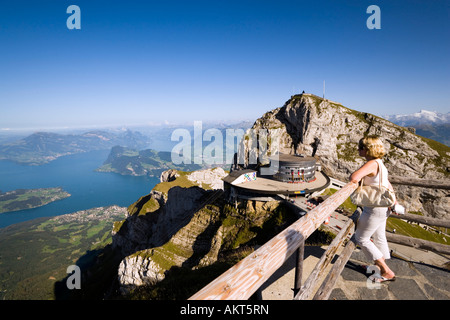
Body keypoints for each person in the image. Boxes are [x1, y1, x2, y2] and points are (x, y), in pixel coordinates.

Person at [349, 135, 396, 282]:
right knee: (379, 237)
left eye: (361, 147)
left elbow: (354, 177)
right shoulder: (380, 163)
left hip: (374, 208)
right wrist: (394, 201)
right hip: (383, 207)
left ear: (368, 149)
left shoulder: (371, 164)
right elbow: (387, 184)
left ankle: (386, 271)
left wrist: (360, 178)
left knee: (361, 238)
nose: (358, 149)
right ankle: (379, 265)